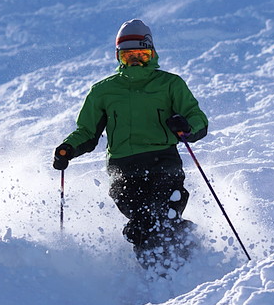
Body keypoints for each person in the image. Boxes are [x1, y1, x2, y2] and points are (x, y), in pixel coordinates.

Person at [53, 19, 208, 270]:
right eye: (128, 56)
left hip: (163, 164)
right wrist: (68, 149)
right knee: (143, 221)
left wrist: (186, 126)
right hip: (124, 170)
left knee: (164, 215)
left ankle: (185, 262)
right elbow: (87, 132)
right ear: (118, 57)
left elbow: (196, 117)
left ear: (152, 54)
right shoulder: (103, 91)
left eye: (142, 55)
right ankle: (158, 274)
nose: (135, 61)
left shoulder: (170, 84)